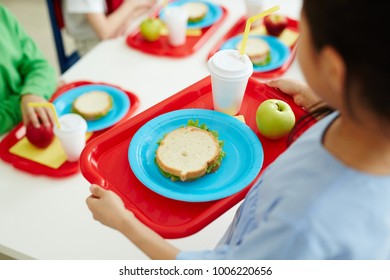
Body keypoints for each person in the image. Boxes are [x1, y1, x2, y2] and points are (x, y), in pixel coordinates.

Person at [86, 0, 390, 259]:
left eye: (303, 30)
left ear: (334, 70)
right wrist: (325, 104)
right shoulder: (364, 123)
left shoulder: (303, 225)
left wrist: (124, 223)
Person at [0, 4, 57, 136]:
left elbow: (41, 66)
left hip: (28, 125)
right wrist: (25, 101)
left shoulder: (3, 15)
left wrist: (33, 92)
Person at [62, 0, 157, 56]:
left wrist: (129, 15)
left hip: (121, 30)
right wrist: (131, 4)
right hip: (94, 45)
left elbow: (150, 3)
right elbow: (105, 32)